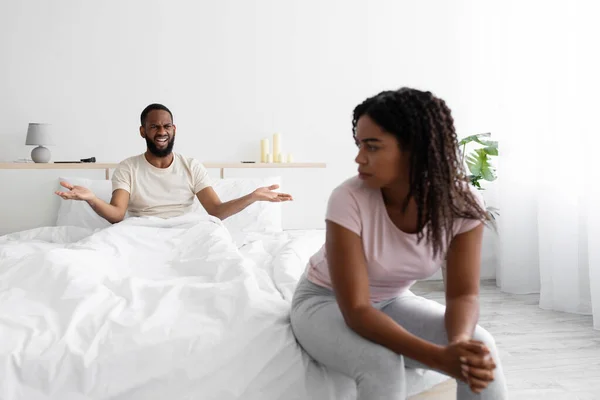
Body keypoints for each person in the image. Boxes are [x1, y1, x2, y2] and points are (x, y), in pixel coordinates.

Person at [290, 88, 508, 399]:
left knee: (479, 347)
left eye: (372, 147)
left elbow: (463, 294)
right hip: (324, 303)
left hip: (393, 301)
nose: (359, 157)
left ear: (414, 150)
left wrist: (458, 343)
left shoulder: (461, 203)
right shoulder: (348, 198)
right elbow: (357, 309)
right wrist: (438, 357)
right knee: (381, 362)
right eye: (359, 145)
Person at [55, 103, 292, 223]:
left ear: (174, 129)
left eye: (166, 126)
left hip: (186, 231)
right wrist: (92, 198)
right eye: (154, 126)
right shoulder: (128, 167)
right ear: (142, 131)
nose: (161, 131)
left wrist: (252, 196)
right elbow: (117, 214)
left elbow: (216, 211)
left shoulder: (191, 166)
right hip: (142, 231)